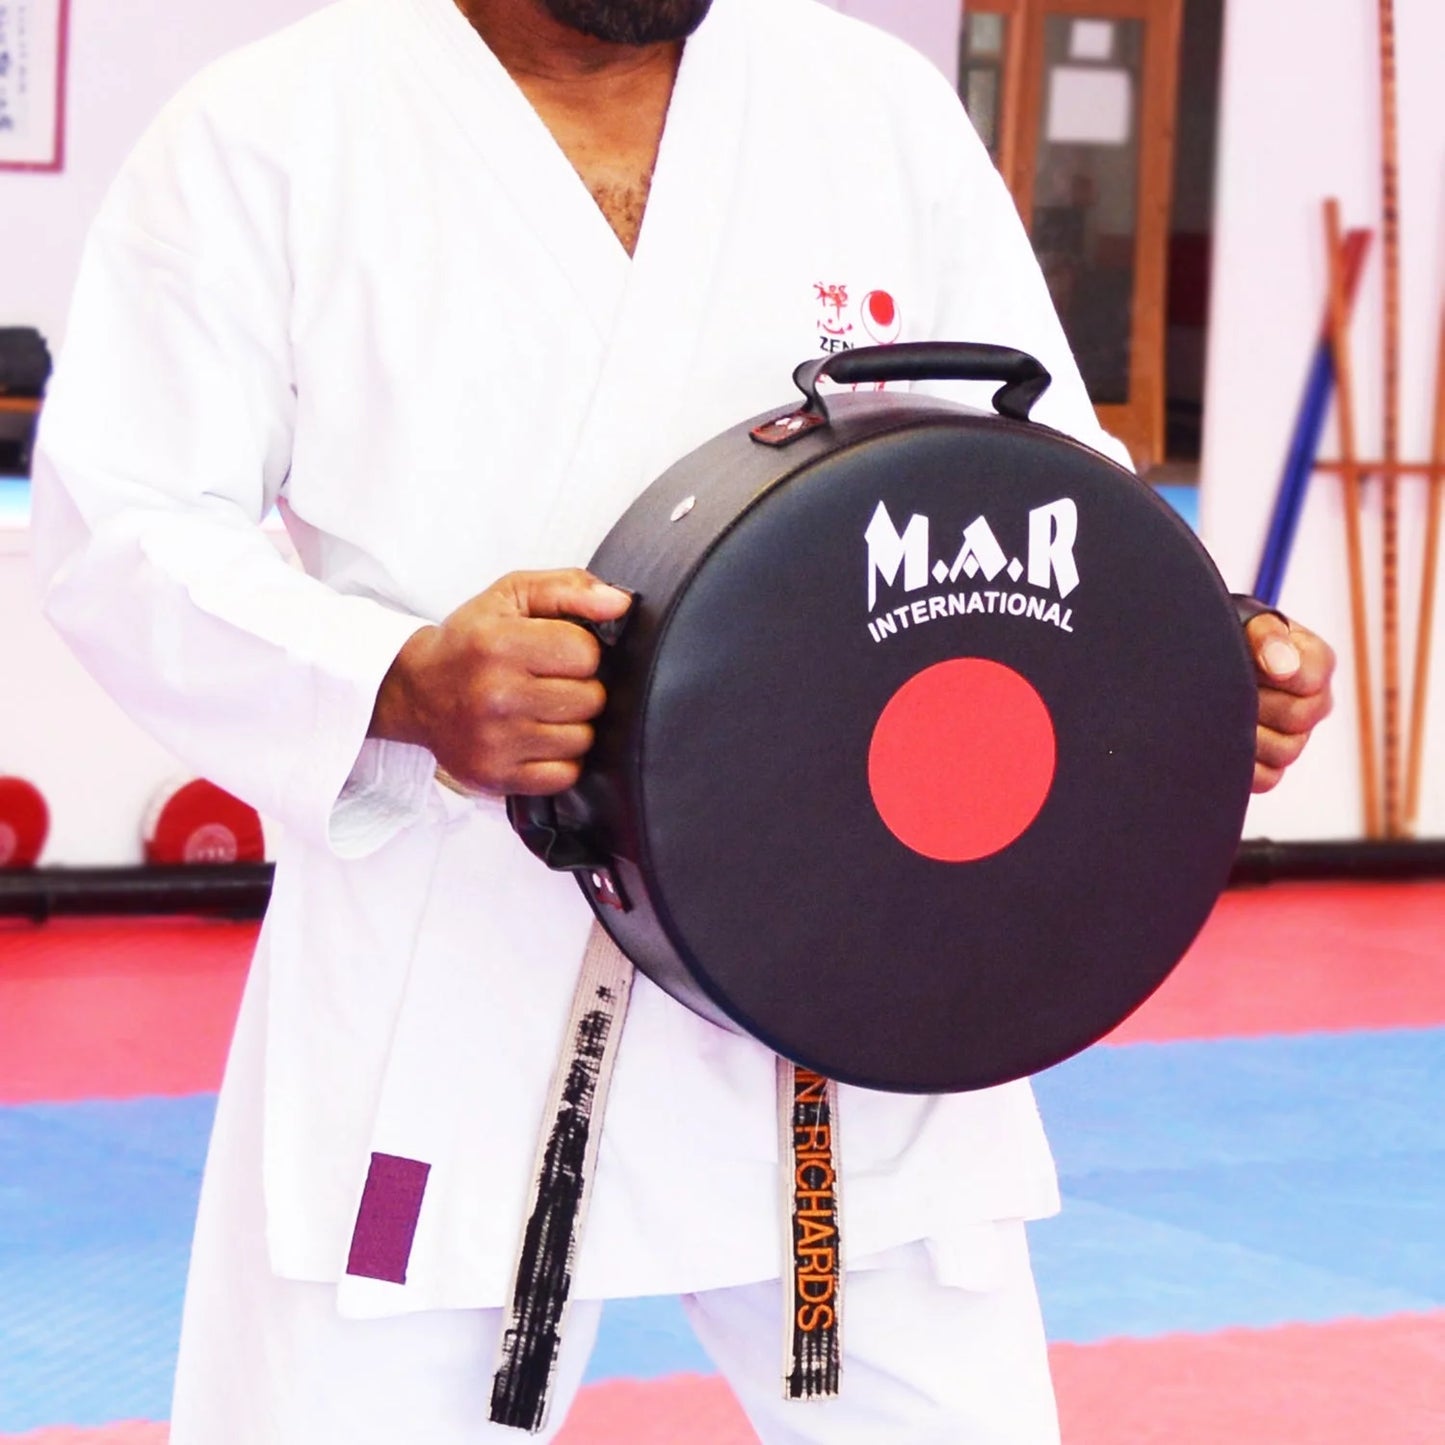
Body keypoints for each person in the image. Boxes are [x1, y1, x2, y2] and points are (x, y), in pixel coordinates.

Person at [31, 0, 1334, 1440]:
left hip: (853, 953)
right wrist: (402, 679)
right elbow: (128, 529)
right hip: (466, 954)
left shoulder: (870, 105)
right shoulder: (273, 129)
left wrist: (1184, 648)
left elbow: (1040, 477)